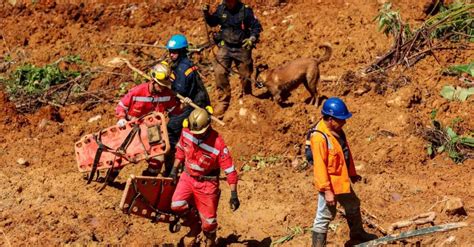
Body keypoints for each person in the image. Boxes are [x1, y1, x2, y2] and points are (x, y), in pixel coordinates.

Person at [309, 97, 377, 246]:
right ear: (331, 119)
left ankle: (357, 234)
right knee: (324, 216)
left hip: (341, 180)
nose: (344, 122)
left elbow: (344, 154)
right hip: (329, 185)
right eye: (341, 119)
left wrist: (352, 174)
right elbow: (320, 167)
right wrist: (327, 191)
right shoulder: (319, 137)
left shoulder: (336, 131)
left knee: (353, 204)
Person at [169, 108, 239, 247]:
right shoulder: (187, 132)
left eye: (200, 134)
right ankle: (194, 226)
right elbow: (181, 151)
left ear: (208, 127)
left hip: (207, 184)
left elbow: (230, 171)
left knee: (209, 223)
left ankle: (210, 235)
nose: (197, 136)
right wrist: (174, 169)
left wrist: (234, 194)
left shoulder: (218, 144)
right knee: (176, 205)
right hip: (187, 177)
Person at [114, 61, 182, 178]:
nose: (162, 88)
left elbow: (175, 111)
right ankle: (109, 179)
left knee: (158, 159)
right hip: (133, 129)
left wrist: (183, 105)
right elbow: (121, 106)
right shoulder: (137, 91)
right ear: (153, 81)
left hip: (153, 131)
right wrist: (121, 118)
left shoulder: (167, 94)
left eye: (164, 85)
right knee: (121, 157)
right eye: (160, 84)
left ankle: (146, 183)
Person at [202, 0, 263, 117]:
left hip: (242, 47)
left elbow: (256, 26)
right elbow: (213, 22)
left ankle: (247, 95)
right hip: (226, 46)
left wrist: (252, 38)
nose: (228, 3)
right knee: (219, 72)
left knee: (245, 75)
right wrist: (206, 14)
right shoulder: (221, 8)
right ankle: (223, 102)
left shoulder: (246, 10)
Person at [165, 34, 211, 148]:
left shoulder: (182, 69)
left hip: (193, 104)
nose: (171, 54)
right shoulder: (183, 63)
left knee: (171, 128)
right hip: (196, 99)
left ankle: (173, 155)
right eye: (170, 51)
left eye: (174, 52)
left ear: (181, 51)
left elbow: (180, 91)